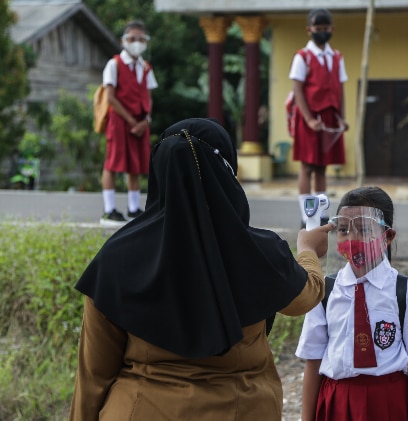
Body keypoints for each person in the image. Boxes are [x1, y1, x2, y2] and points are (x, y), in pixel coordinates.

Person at [69, 118, 332, 420]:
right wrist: (309, 251)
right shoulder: (260, 251)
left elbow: (94, 377)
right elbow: (306, 295)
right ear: (226, 176)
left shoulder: (116, 259)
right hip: (240, 409)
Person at [297, 186, 408, 420]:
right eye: (343, 230)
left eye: (363, 230)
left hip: (387, 402)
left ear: (388, 237)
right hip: (336, 402)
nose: (352, 239)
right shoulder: (324, 291)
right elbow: (313, 364)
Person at [289, 8, 349, 228]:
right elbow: (297, 90)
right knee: (307, 166)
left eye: (326, 29)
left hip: (330, 117)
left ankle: (321, 214)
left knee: (323, 167)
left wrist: (342, 118)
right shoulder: (302, 56)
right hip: (309, 117)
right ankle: (307, 217)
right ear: (309, 30)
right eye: (318, 29)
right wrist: (308, 119)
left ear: (332, 29)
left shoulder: (337, 57)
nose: (322, 32)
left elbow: (340, 91)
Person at [99, 20, 158, 226]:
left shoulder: (146, 67)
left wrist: (145, 120)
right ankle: (109, 210)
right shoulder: (114, 64)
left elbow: (148, 97)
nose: (136, 43)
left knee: (135, 165)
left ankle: (133, 209)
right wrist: (131, 119)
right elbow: (111, 97)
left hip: (141, 122)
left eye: (141, 39)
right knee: (112, 163)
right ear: (123, 41)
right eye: (132, 39)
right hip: (120, 120)